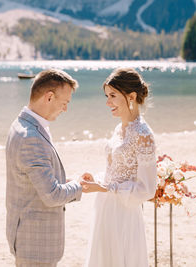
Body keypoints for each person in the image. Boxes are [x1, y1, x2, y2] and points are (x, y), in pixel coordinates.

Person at [5, 69, 86, 267]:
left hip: (28, 238)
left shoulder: (21, 125)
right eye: (64, 103)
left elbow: (34, 181)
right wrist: (80, 186)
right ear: (49, 97)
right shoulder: (31, 137)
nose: (65, 109)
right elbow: (52, 196)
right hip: (35, 245)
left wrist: (67, 182)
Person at [81, 68, 157, 266]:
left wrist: (106, 188)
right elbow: (116, 172)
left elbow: (147, 189)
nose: (108, 102)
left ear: (131, 96)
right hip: (104, 208)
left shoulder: (144, 134)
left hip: (124, 213)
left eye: (113, 96)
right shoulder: (119, 129)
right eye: (107, 96)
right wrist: (96, 179)